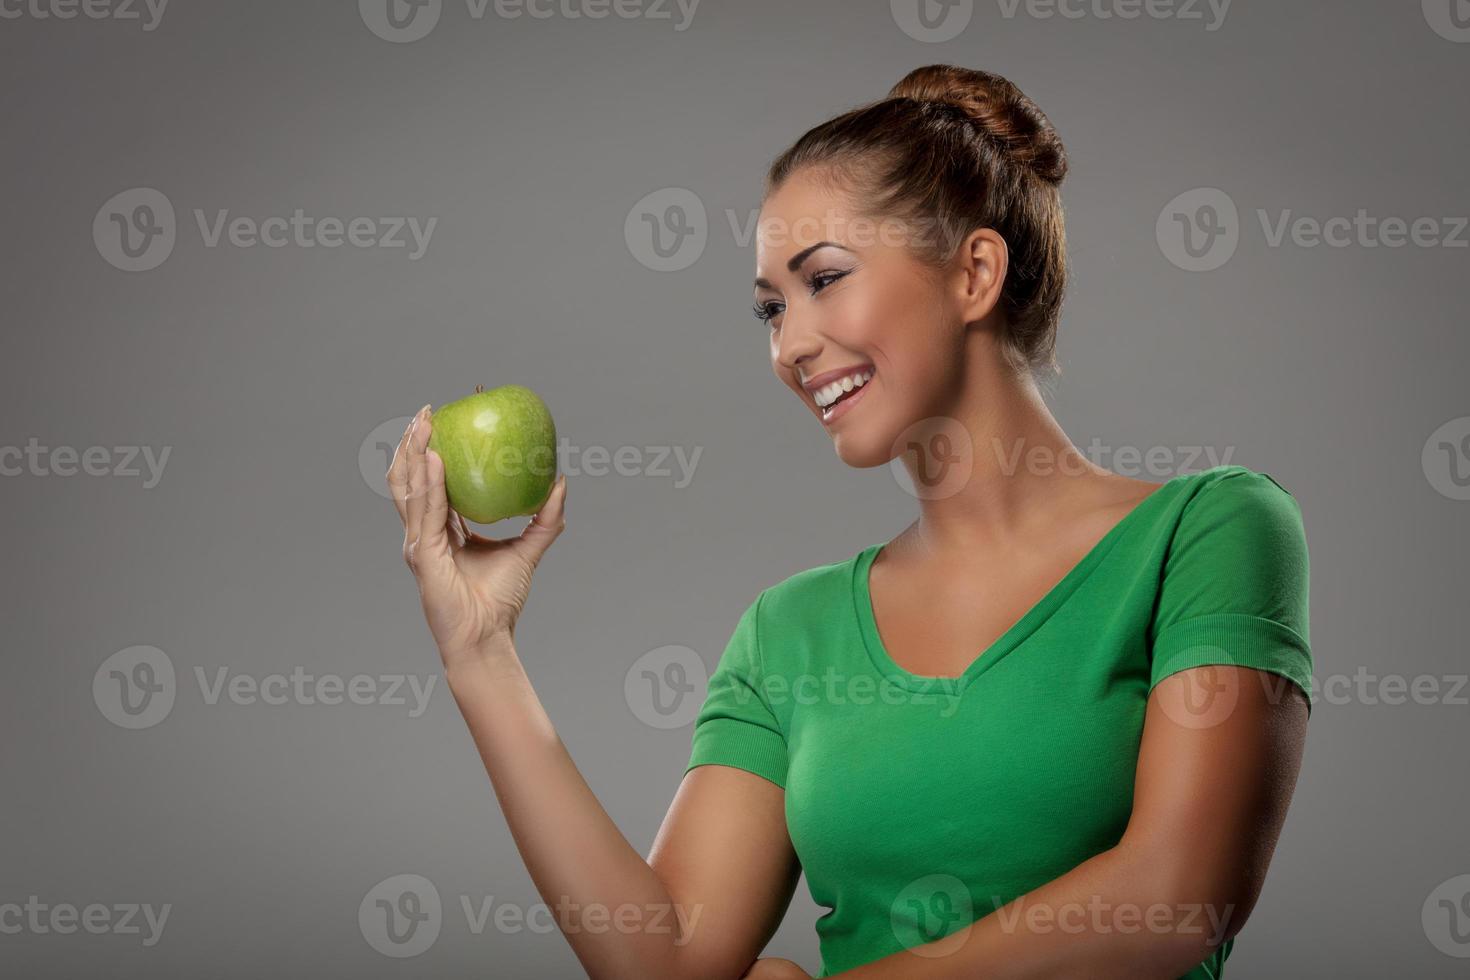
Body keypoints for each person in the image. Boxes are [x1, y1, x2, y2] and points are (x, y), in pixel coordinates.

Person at [387, 63, 1312, 980]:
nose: (789, 345)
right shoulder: (790, 630)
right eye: (771, 308)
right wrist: (480, 651)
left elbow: (1180, 896)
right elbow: (665, 961)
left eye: (824, 280)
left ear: (974, 274)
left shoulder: (1210, 531)